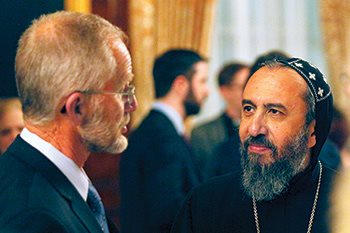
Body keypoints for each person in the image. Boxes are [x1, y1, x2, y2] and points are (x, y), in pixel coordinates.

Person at [0, 11, 137, 233]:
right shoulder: (33, 218)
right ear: (77, 107)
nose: (132, 104)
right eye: (123, 91)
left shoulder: (49, 181)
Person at [171, 57, 335, 233]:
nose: (254, 129)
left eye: (274, 112)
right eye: (248, 109)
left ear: (312, 132)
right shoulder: (205, 203)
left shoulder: (342, 201)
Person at [120, 49, 209, 233]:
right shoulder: (160, 137)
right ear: (180, 84)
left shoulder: (158, 129)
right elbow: (168, 214)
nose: (207, 91)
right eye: (202, 81)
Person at [191, 63, 249, 178]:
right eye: (243, 87)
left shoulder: (259, 129)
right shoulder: (203, 134)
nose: (249, 92)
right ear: (224, 91)